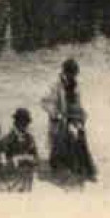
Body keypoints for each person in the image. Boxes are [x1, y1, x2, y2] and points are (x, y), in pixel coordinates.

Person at [43, 58, 97, 188]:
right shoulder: (55, 85)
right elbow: (45, 102)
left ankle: (84, 169)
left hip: (73, 117)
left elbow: (77, 103)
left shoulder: (76, 86)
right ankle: (62, 166)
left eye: (74, 74)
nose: (73, 76)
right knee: (64, 137)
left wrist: (81, 114)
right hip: (60, 119)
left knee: (80, 133)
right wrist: (56, 113)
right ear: (65, 72)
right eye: (70, 73)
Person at [1, 108, 40, 192]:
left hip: (29, 178)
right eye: (22, 121)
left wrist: (31, 159)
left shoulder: (30, 138)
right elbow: (3, 162)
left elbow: (36, 158)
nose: (25, 125)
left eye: (26, 122)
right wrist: (17, 159)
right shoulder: (7, 140)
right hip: (12, 179)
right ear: (16, 122)